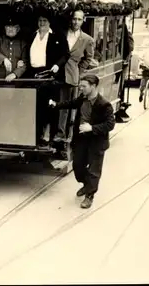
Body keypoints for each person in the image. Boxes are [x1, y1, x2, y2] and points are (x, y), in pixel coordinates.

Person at [49, 74, 115, 209]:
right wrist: (56, 105)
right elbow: (71, 103)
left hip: (96, 141)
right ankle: (87, 184)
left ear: (94, 86)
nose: (81, 89)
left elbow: (110, 124)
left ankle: (89, 195)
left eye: (84, 86)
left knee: (94, 170)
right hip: (81, 139)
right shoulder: (82, 98)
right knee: (78, 166)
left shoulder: (104, 105)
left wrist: (92, 128)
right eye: (80, 86)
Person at [26, 13, 70, 146]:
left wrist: (57, 65)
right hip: (34, 75)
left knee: (49, 106)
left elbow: (66, 54)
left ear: (49, 22)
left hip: (50, 74)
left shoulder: (57, 35)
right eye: (40, 20)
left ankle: (49, 138)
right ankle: (36, 136)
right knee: (36, 107)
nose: (42, 23)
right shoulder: (32, 35)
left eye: (45, 20)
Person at [54, 10, 95, 142]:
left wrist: (79, 70)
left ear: (83, 20)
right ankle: (57, 134)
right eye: (74, 19)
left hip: (72, 76)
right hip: (57, 73)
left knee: (68, 106)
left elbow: (88, 58)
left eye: (79, 19)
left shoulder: (87, 39)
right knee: (57, 104)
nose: (76, 22)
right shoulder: (62, 33)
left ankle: (67, 136)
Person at [0, 16, 28, 80]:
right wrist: (4, 59)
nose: (10, 29)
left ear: (18, 29)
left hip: (14, 80)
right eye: (8, 27)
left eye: (13, 27)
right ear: (5, 28)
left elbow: (25, 63)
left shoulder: (22, 43)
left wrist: (15, 74)